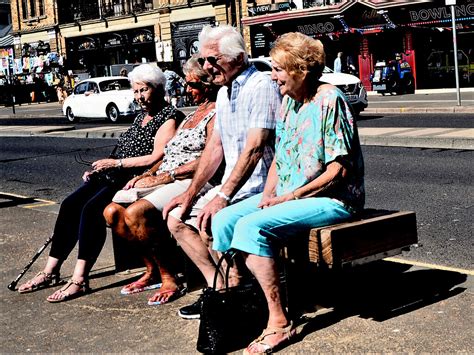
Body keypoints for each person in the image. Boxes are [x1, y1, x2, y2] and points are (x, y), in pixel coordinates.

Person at [211, 32, 365, 354]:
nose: (273, 76)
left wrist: (287, 199)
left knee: (251, 226)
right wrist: (269, 196)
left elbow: (339, 171)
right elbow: (280, 162)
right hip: (290, 194)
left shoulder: (329, 99)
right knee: (224, 219)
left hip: (333, 199)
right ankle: (248, 300)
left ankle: (280, 322)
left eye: (279, 69)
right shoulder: (288, 103)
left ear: (301, 70)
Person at [17, 64, 184, 303]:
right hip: (115, 172)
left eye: (144, 90)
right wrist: (100, 166)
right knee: (70, 205)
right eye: (136, 91)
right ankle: (50, 271)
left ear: (158, 89)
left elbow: (156, 156)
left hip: (133, 177)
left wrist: (116, 164)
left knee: (91, 210)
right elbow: (122, 149)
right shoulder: (140, 118)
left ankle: (79, 278)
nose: (139, 97)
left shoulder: (168, 117)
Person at [162, 24, 281, 319]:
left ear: (238, 58)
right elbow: (214, 149)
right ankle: (222, 287)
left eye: (213, 60)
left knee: (211, 219)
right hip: (235, 186)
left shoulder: (260, 87)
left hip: (261, 187)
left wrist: (223, 196)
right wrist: (190, 194)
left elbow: (254, 148)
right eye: (203, 60)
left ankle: (235, 291)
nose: (206, 67)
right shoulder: (225, 92)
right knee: (176, 217)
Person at [103, 55, 220, 305]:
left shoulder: (216, 113)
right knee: (112, 212)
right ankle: (152, 268)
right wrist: (147, 175)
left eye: (194, 85)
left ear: (209, 84)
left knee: (136, 213)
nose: (188, 90)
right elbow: (168, 153)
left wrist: (166, 176)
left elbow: (209, 159)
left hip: (188, 179)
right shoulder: (192, 114)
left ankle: (169, 277)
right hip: (166, 176)